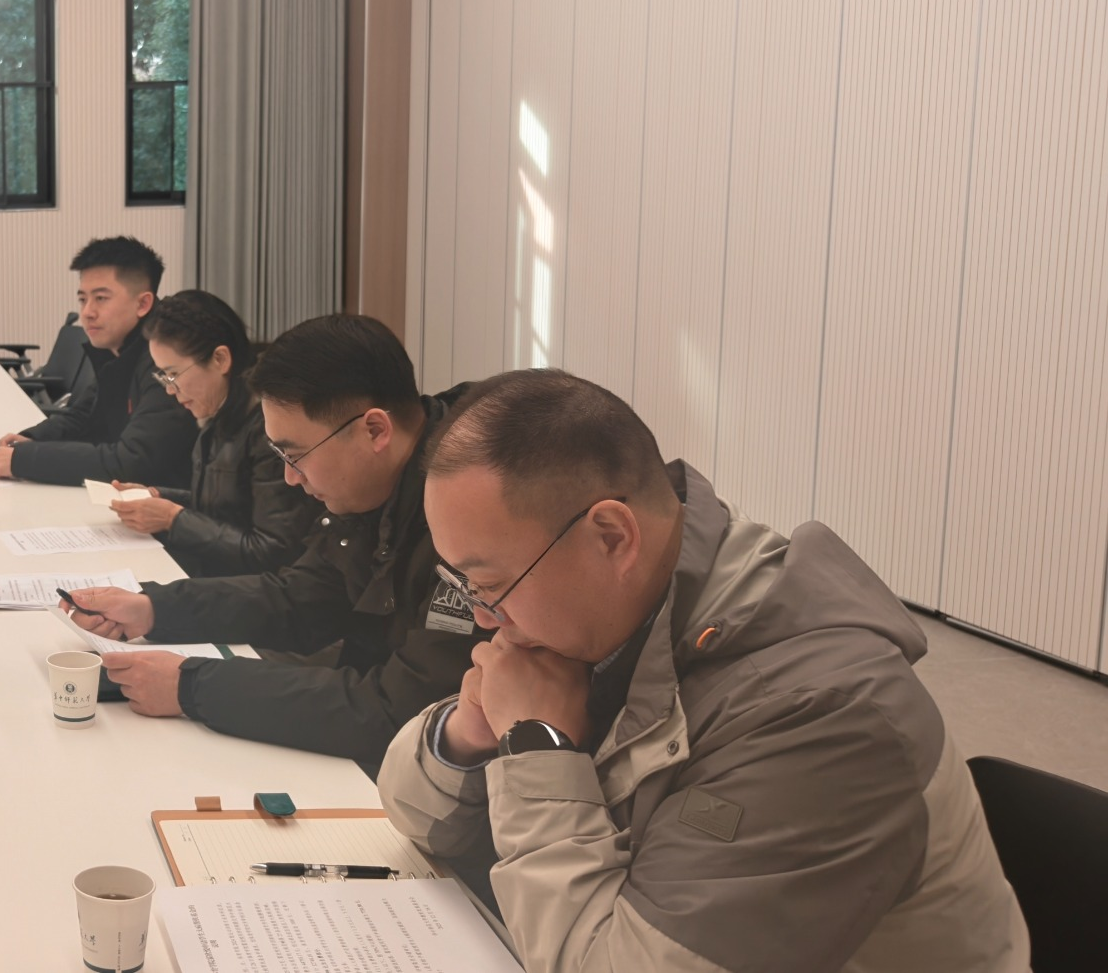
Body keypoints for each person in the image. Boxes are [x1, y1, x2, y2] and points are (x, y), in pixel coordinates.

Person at [377, 369, 1028, 972]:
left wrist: (534, 747)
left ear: (612, 537)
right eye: (465, 585)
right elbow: (414, 813)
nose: (482, 617)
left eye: (491, 584)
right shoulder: (606, 615)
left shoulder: (823, 713)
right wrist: (469, 731)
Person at [64, 314, 481, 768]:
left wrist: (192, 686)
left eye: (296, 455)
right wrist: (154, 608)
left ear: (375, 430)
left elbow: (398, 711)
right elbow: (300, 597)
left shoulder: (469, 519)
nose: (290, 477)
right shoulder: (373, 489)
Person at [99, 290, 318, 576]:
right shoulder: (221, 409)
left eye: (173, 374)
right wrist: (157, 496)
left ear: (220, 359)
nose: (169, 389)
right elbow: (226, 504)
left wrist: (173, 519)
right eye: (163, 376)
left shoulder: (267, 429)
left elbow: (272, 552)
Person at [0, 236, 197, 488]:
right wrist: (31, 439)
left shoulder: (167, 359)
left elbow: (131, 462)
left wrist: (25, 460)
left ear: (143, 304)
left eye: (101, 298)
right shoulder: (120, 348)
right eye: (83, 299)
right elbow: (84, 416)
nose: (87, 312)